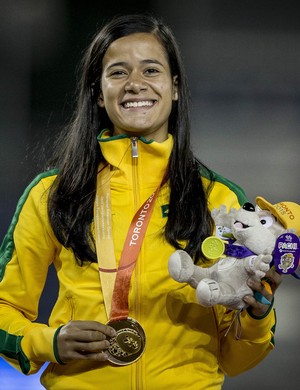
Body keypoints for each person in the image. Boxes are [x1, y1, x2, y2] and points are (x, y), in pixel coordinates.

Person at [0, 13, 281, 389]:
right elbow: (6, 311)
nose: (135, 84)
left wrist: (257, 315)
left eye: (151, 70)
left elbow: (236, 359)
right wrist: (48, 342)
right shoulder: (53, 192)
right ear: (99, 93)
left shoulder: (219, 198)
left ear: (175, 87)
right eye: (118, 72)